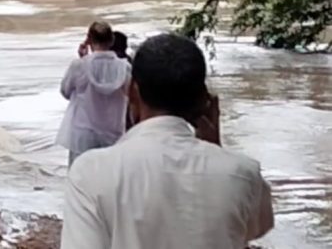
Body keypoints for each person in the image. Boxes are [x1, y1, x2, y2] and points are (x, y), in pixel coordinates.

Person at [61, 33, 274, 249]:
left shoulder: (89, 173)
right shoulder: (242, 173)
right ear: (203, 100)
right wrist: (214, 149)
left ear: (132, 91)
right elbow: (252, 228)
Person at [56, 21, 131, 166]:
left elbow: (65, 91)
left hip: (83, 133)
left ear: (89, 40)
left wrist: (82, 58)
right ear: (111, 40)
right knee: (109, 179)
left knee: (80, 179)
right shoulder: (124, 68)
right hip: (113, 132)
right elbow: (131, 96)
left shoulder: (79, 66)